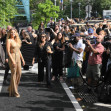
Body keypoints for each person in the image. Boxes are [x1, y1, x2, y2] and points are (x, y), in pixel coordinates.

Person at [6, 28, 25, 97]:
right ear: (9, 33)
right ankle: (14, 92)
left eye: (14, 32)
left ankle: (12, 88)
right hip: (12, 57)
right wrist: (12, 60)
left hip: (18, 58)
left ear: (16, 33)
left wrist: (22, 59)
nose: (13, 33)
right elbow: (8, 51)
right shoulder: (9, 40)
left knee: (19, 73)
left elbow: (19, 51)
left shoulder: (17, 40)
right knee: (13, 74)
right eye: (11, 32)